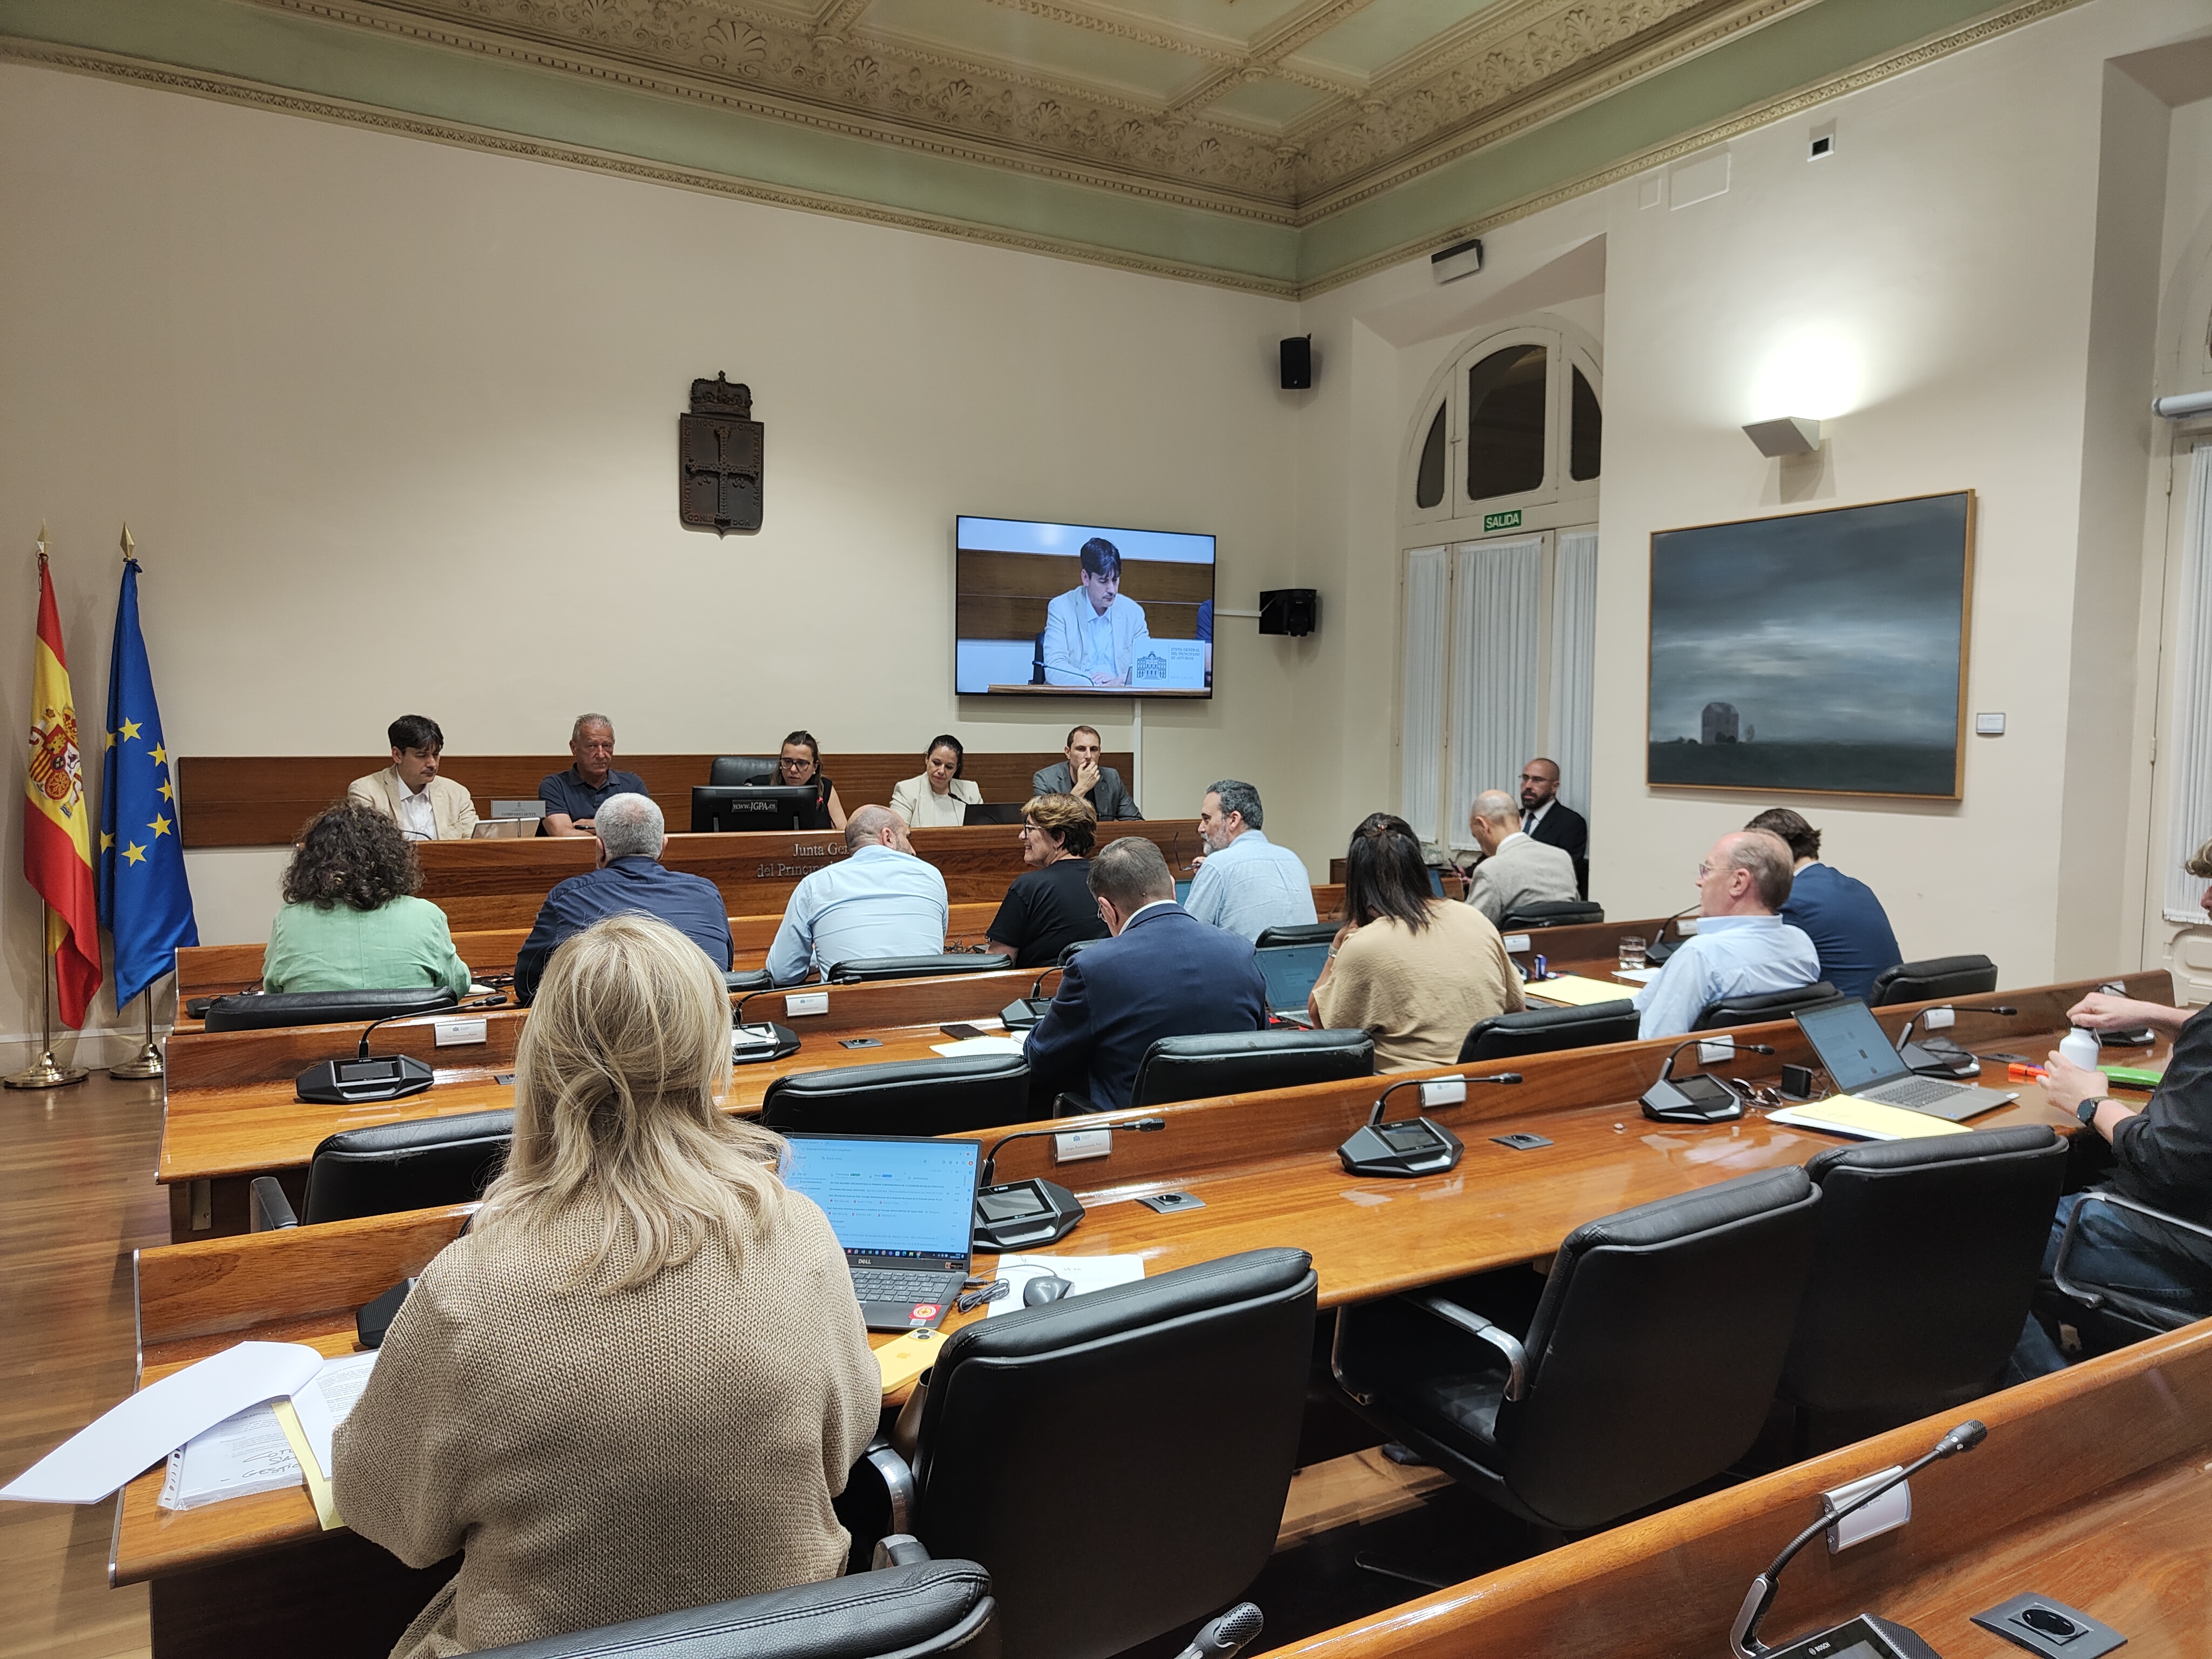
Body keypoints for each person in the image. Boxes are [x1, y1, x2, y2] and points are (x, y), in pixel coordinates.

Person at [334, 914, 879, 1659]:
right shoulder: (800, 1230)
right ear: (710, 1056)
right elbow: (844, 1449)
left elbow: (388, 1516)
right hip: (785, 1642)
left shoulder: (469, 1289)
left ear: (543, 1061)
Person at [2011, 840, 2212, 1377]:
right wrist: (2154, 1014)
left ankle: (2059, 1407)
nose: (2206, 900)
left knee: (1975, 1241)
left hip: (2181, 1245)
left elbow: (2164, 1160)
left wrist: (2091, 1100)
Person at [1023, 837, 1266, 1112]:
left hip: (1135, 1130)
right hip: (1231, 1121)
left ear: (1107, 909)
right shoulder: (1241, 951)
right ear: (1172, 888)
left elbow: (1040, 1057)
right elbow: (1260, 1043)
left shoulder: (1093, 967)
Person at [1311, 814, 1525, 1072]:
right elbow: (1516, 1008)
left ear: (1357, 881)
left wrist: (1336, 949)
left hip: (1407, 1089)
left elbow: (1324, 1028)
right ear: (1419, 868)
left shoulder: (1364, 945)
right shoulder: (1475, 919)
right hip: (1487, 1081)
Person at [512, 794, 733, 1003]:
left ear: (600, 849)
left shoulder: (568, 897)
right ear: (662, 847)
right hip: (697, 1027)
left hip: (601, 1028)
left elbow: (528, 986)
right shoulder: (706, 894)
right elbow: (725, 970)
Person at [261, 801, 470, 994]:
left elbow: (273, 992)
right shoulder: (426, 916)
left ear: (312, 863)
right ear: (394, 858)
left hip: (317, 1025)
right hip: (407, 1024)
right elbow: (456, 986)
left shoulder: (288, 920)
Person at [1631, 830, 1819, 1039]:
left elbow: (1656, 1044)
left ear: (1738, 883)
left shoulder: (1701, 955)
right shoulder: (1802, 945)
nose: (1699, 881)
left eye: (1707, 870)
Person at [766, 805, 949, 984]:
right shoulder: (932, 876)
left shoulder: (814, 886)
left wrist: (817, 957)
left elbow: (783, 973)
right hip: (928, 1001)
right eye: (906, 837)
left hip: (848, 1004)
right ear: (888, 837)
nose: (913, 850)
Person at [1743, 807, 1903, 1003]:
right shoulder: (1858, 887)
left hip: (1843, 1013)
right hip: (1889, 1010)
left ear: (1771, 855)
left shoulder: (1790, 899)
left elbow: (1762, 971)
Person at [984, 792, 1110, 969]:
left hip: (1042, 985)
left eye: (1030, 828)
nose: (1022, 836)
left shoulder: (1028, 887)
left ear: (1058, 838)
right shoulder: (1111, 880)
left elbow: (996, 963)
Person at [1184, 779, 1317, 942]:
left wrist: (1212, 871)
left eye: (1207, 819)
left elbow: (1186, 939)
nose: (1201, 828)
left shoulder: (1217, 866)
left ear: (1233, 820)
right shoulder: (1294, 860)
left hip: (1248, 959)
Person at [1041, 536, 1151, 688]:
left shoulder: (1133, 613)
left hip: (1121, 698)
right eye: (1103, 581)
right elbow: (1054, 668)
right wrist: (1096, 685)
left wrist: (1119, 681)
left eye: (1115, 580)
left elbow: (1145, 668)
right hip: (1077, 696)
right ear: (1086, 578)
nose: (1112, 590)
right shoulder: (1061, 608)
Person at [348, 714, 478, 841]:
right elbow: (367, 846)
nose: (432, 764)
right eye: (422, 756)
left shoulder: (457, 794)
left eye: (436, 754)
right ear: (398, 755)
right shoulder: (366, 792)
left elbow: (475, 844)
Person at [1464, 789, 1579, 926]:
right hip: (1567, 940)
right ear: (1519, 822)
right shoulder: (1562, 858)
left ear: (1483, 825)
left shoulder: (1490, 870)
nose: (1480, 845)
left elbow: (1471, 929)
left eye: (1476, 836)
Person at [540, 714, 648, 837]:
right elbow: (563, 835)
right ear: (574, 748)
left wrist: (591, 825)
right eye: (592, 746)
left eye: (607, 746)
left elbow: (647, 830)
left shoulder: (632, 784)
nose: (601, 755)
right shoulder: (554, 786)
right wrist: (623, 828)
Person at [1031, 724, 1143, 820]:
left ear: (1100, 752)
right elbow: (1045, 824)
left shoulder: (1112, 777)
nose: (1089, 756)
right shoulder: (1045, 780)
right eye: (1081, 749)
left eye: (1094, 749)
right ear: (1068, 752)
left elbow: (1135, 822)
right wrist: (1081, 788)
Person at [1516, 758, 1589, 899]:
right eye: (1525, 778)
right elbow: (1492, 855)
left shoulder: (1570, 823)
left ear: (1554, 787)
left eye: (1537, 780)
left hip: (1543, 900)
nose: (1528, 786)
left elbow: (1564, 871)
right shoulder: (1512, 818)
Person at [889, 734, 982, 829]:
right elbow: (896, 832)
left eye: (949, 767)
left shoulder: (970, 791)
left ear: (956, 768)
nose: (941, 771)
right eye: (937, 763)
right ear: (927, 759)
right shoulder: (907, 790)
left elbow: (981, 831)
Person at [765, 730, 846, 832]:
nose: (793, 769)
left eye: (802, 763)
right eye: (788, 761)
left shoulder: (824, 789)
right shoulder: (759, 786)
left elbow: (842, 833)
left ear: (815, 767)